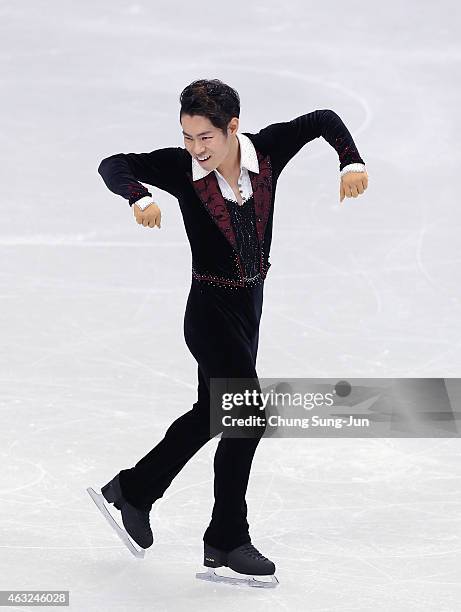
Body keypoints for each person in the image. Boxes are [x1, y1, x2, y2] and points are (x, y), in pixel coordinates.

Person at [88, 78, 368, 587]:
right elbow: (114, 164)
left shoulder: (269, 149)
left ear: (232, 128)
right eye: (187, 136)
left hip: (248, 310)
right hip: (209, 310)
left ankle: (133, 490)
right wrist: (137, 196)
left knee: (210, 413)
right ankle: (227, 538)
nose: (195, 149)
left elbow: (324, 119)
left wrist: (351, 160)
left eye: (205, 138)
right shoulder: (181, 167)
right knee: (247, 415)